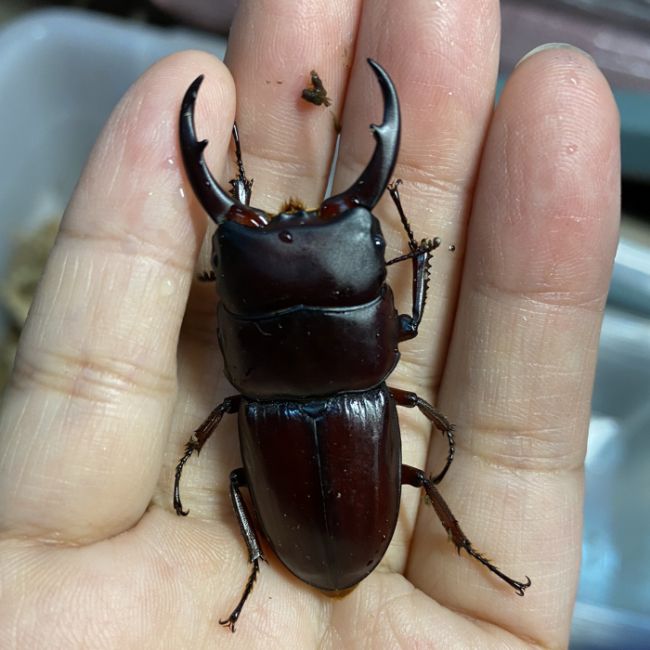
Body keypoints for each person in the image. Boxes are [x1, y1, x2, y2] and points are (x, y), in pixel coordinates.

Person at [0, 0, 620, 647]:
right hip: (324, 501)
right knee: (402, 477)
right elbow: (408, 322)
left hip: (304, 496)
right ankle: (439, 547)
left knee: (239, 478)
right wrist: (417, 256)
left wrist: (190, 455)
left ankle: (269, 562)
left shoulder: (248, 397)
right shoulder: (369, 386)